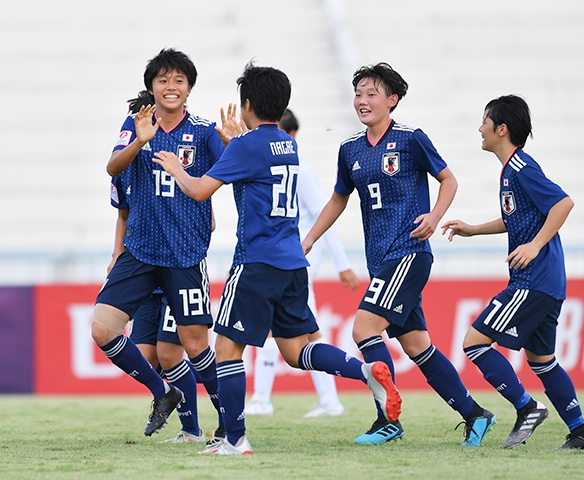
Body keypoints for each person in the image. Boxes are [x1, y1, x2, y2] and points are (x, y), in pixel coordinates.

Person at [152, 61, 402, 455]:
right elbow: (253, 170)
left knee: (227, 350)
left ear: (247, 104)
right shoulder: (288, 144)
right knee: (295, 350)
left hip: (256, 262)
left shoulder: (248, 145)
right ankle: (366, 371)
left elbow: (200, 190)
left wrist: (173, 168)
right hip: (292, 263)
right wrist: (238, 140)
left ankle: (235, 439)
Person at [301, 63, 495, 447]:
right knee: (416, 346)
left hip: (408, 253)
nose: (362, 100)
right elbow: (339, 199)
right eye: (358, 93)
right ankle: (476, 414)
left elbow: (448, 179)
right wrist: (308, 240)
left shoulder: (410, 139)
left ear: (392, 100)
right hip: (382, 261)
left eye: (371, 93)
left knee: (363, 329)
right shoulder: (350, 148)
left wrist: (434, 216)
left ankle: (386, 421)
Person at [441, 94, 584, 450]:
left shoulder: (521, 168)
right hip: (547, 283)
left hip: (533, 281)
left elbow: (563, 203)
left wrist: (535, 245)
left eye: (485, 121)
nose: (479, 128)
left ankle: (526, 407)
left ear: (502, 129)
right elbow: (516, 218)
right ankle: (582, 432)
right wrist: (473, 228)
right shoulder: (511, 170)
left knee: (474, 342)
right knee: (542, 362)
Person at [91, 48, 231, 437]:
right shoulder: (137, 123)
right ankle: (163, 392)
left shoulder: (203, 132)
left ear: (189, 88)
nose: (171, 87)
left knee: (194, 347)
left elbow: (231, 170)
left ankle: (228, 423)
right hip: (139, 251)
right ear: (151, 87)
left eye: (178, 81)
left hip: (184, 254)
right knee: (102, 329)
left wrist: (236, 142)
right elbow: (113, 167)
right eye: (163, 80)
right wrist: (139, 141)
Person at [245, 108, 359, 418]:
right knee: (304, 333)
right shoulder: (278, 167)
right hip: (290, 260)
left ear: (291, 135)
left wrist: (343, 264)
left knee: (282, 329)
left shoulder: (301, 169)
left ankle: (262, 399)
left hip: (297, 262)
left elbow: (327, 215)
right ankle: (328, 400)